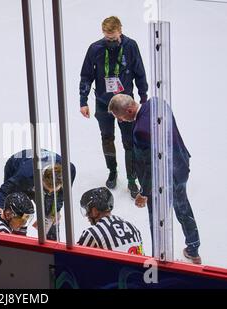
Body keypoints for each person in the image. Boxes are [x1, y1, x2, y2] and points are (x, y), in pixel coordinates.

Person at [108, 93, 201, 264]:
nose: (120, 121)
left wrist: (144, 193)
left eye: (119, 117)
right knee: (183, 208)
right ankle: (193, 248)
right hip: (180, 165)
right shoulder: (157, 102)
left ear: (129, 110)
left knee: (156, 218)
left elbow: (152, 167)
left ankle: (159, 256)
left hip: (161, 181)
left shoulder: (141, 131)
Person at [78, 16, 148, 197]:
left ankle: (132, 179)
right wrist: (83, 101)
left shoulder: (131, 46)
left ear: (120, 31)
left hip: (125, 103)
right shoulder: (95, 48)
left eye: (113, 38)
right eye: (107, 38)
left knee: (129, 141)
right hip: (103, 103)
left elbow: (139, 72)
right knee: (107, 138)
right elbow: (86, 76)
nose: (110, 41)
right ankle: (113, 171)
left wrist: (143, 96)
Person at [0, 149, 76, 240]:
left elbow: (61, 196)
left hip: (39, 167)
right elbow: (4, 190)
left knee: (51, 216)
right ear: (40, 181)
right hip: (17, 163)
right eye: (46, 190)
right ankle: (18, 236)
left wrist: (54, 211)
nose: (49, 193)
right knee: (19, 206)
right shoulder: (25, 176)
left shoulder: (69, 171)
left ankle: (52, 240)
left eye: (53, 191)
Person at [77, 187, 144, 255]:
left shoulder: (92, 233)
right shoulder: (133, 227)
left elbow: (75, 259)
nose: (87, 216)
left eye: (86, 211)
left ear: (95, 211)